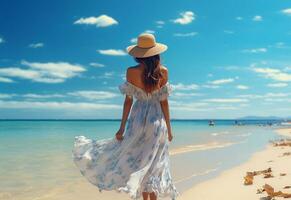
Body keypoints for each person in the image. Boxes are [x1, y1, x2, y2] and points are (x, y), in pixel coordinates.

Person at [72, 33, 178, 200]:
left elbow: (128, 102)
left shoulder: (131, 72)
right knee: (155, 164)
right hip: (156, 122)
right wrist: (170, 130)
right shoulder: (163, 72)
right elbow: (164, 103)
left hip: (137, 119)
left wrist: (121, 128)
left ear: (138, 54)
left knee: (139, 162)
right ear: (156, 52)